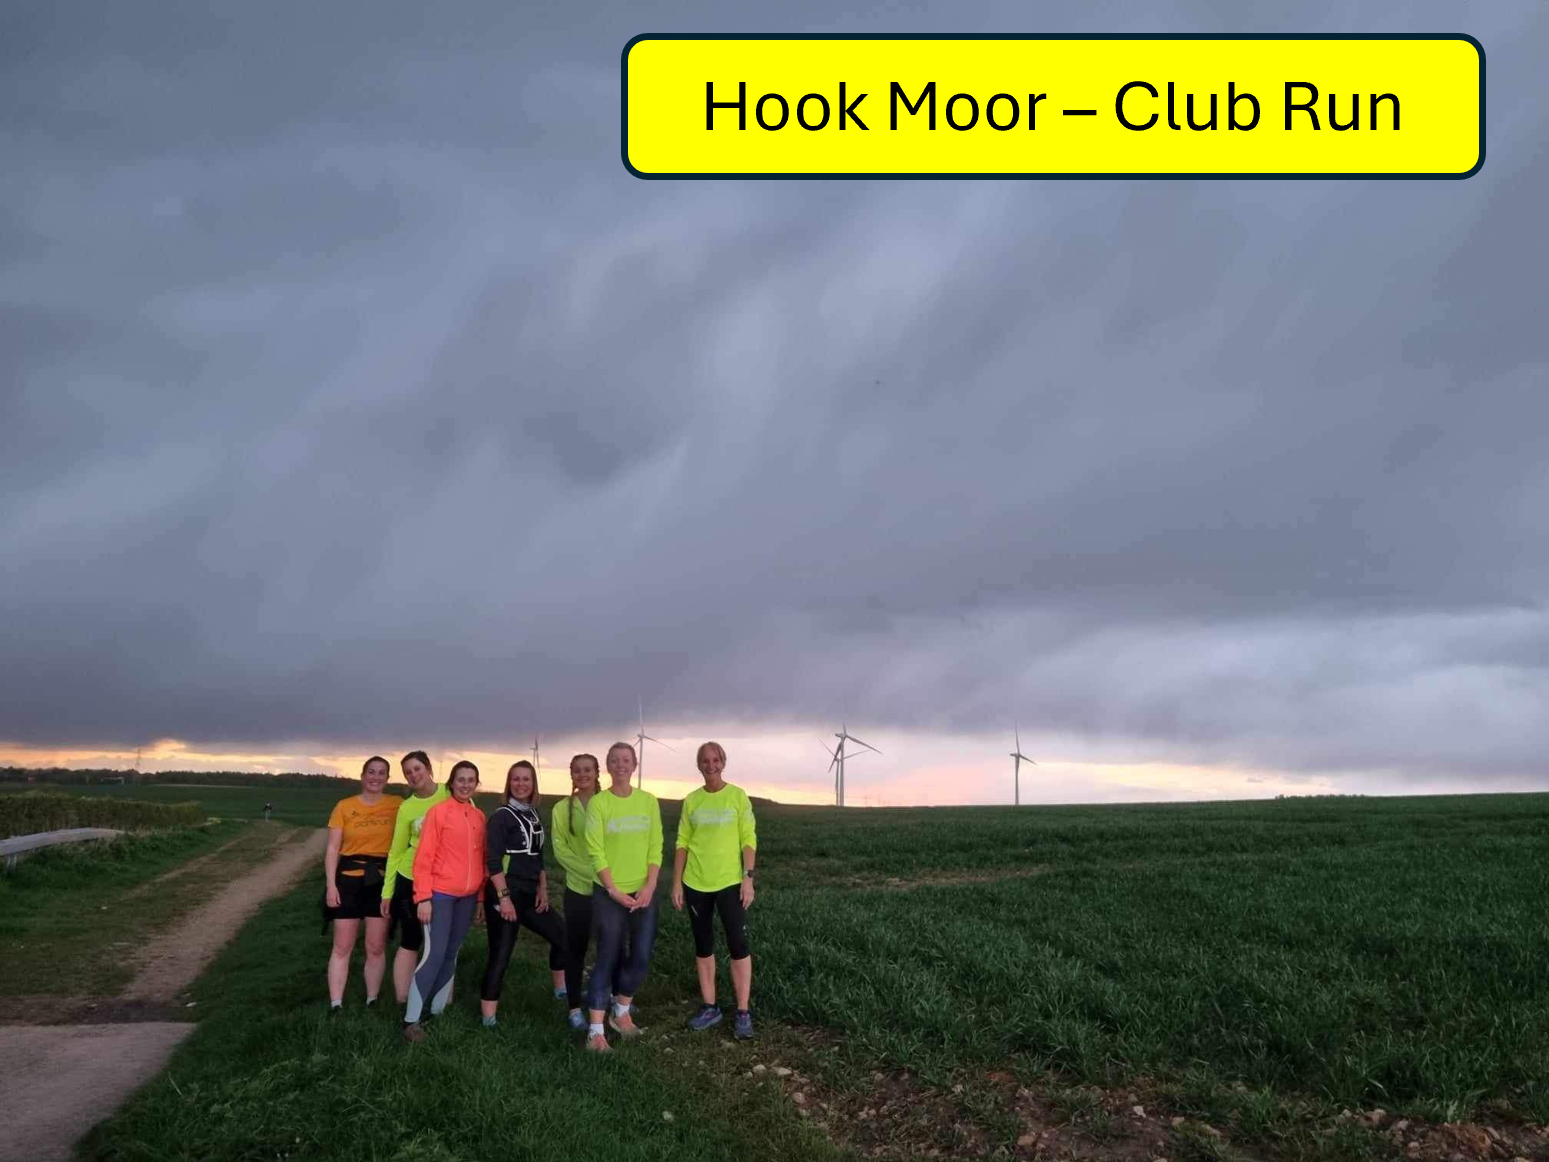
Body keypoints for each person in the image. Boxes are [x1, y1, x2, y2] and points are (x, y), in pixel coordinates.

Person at [672, 741, 758, 1039]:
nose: (711, 765)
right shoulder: (692, 801)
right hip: (696, 882)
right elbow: (682, 842)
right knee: (703, 944)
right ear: (699, 765)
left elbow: (748, 839)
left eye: (715, 760)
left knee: (738, 944)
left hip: (730, 882)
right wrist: (676, 882)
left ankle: (743, 1011)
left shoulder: (737, 796)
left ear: (723, 762)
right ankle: (710, 1007)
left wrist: (748, 878)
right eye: (705, 761)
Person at [582, 741, 663, 1052]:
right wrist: (613, 889)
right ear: (608, 766)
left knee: (641, 955)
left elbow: (655, 845)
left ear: (634, 765)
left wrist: (650, 885)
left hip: (643, 892)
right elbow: (595, 849)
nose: (620, 765)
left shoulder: (648, 802)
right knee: (608, 955)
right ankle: (595, 1032)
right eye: (614, 760)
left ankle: (621, 1011)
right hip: (609, 893)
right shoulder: (599, 803)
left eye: (626, 760)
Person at [479, 761, 571, 1028]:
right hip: (505, 891)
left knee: (562, 936)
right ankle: (488, 1019)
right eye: (516, 779)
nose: (521, 784)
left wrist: (543, 888)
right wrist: (504, 898)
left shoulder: (533, 814)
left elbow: (538, 856)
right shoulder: (501, 816)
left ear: (533, 784)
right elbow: (493, 862)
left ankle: (560, 991)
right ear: (509, 783)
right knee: (501, 953)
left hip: (530, 892)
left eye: (526, 779)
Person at [403, 760, 486, 1042]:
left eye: (471, 780)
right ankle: (411, 1020)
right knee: (434, 954)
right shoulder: (438, 812)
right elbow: (423, 858)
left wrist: (480, 898)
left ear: (476, 784)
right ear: (451, 783)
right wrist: (423, 898)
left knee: (452, 953)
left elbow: (481, 860)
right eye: (461, 779)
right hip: (439, 895)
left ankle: (436, 1013)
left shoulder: (479, 817)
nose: (465, 784)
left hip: (468, 897)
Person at [323, 756, 401, 1011]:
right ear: (362, 775)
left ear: (387, 778)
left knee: (376, 946)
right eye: (371, 772)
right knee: (342, 945)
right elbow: (333, 849)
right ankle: (336, 1003)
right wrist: (331, 885)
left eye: (381, 773)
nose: (375, 777)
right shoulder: (344, 807)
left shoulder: (397, 805)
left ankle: (372, 999)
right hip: (348, 881)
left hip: (381, 882)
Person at [380, 750, 450, 1004]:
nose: (413, 775)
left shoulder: (451, 793)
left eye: (417, 769)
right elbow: (397, 851)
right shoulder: (407, 807)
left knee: (443, 942)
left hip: (445, 880)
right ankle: (403, 999)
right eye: (408, 772)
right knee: (411, 939)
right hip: (410, 877)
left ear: (429, 768)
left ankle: (441, 999)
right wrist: (387, 892)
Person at [550, 753, 602, 1031]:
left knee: (610, 948)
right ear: (571, 775)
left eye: (587, 770)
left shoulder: (608, 803)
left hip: (609, 892)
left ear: (597, 772)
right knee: (576, 949)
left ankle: (608, 997)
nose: (582, 775)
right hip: (578, 891)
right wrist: (595, 874)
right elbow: (561, 851)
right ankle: (574, 1008)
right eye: (577, 771)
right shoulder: (561, 809)